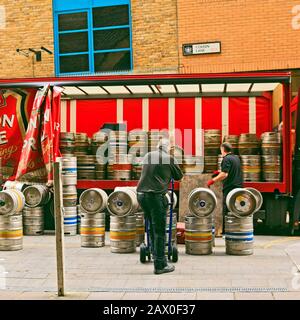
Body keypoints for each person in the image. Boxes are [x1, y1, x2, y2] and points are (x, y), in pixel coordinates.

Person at [137, 138, 183, 275]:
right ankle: (160, 264)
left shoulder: (148, 155)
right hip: (155, 197)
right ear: (168, 148)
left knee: (150, 225)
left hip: (141, 195)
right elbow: (179, 176)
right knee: (160, 231)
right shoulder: (169, 158)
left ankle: (153, 251)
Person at [207, 142, 243, 234]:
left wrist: (213, 180)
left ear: (223, 149)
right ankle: (235, 230)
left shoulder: (226, 159)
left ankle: (227, 231)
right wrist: (219, 171)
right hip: (239, 187)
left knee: (227, 209)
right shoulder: (236, 158)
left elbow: (225, 174)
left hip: (230, 188)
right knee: (236, 209)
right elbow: (231, 170)